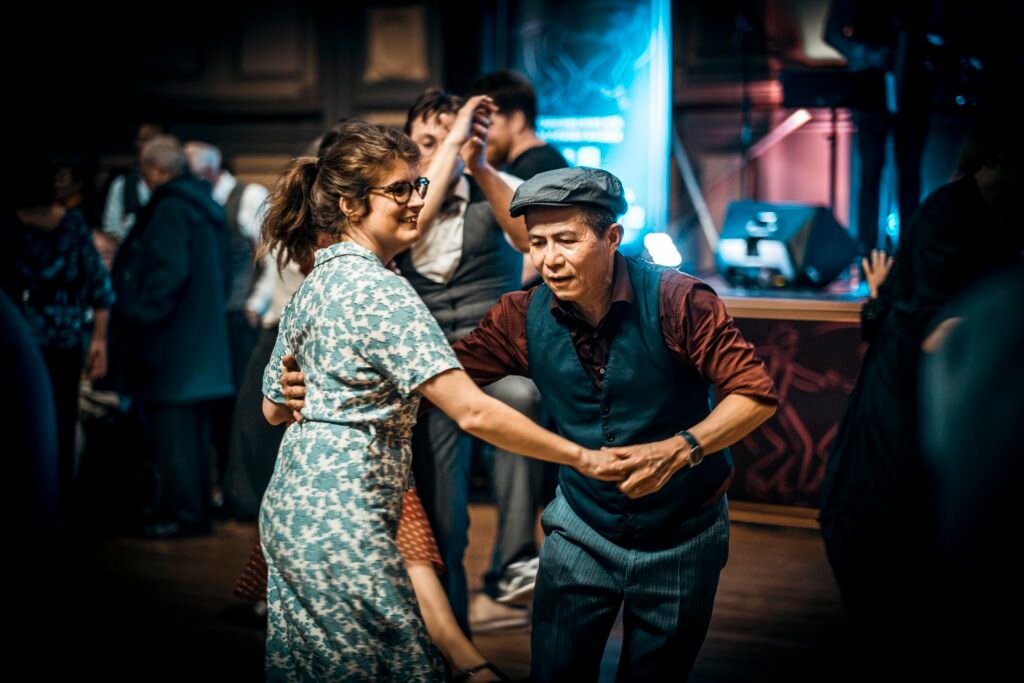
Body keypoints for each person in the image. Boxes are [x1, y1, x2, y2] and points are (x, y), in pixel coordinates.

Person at [283, 166, 779, 680]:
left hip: (684, 532)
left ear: (612, 237)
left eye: (566, 240)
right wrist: (316, 390)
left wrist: (679, 450)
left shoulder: (679, 300)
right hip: (581, 528)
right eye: (537, 243)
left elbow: (754, 395)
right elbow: (435, 381)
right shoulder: (519, 315)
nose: (549, 259)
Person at [257, 120, 620, 681]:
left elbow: (274, 410)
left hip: (290, 508)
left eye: (416, 186)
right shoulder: (381, 290)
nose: (415, 201)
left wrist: (309, 390)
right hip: (347, 515)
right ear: (352, 206)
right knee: (400, 667)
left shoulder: (314, 283)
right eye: (399, 190)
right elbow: (471, 410)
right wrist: (583, 458)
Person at [819, 110, 1023, 676]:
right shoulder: (953, 213)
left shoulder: (974, 213)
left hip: (913, 397)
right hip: (910, 401)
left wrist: (885, 296)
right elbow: (933, 328)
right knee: (898, 539)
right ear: (999, 156)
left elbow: (898, 317)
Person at [105, 135, 234, 537]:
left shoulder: (171, 209)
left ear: (157, 171)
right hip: (202, 338)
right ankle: (193, 512)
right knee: (192, 436)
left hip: (171, 344)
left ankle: (185, 517)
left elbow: (166, 275)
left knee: (174, 437)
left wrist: (136, 315)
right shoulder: (207, 206)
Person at [1, 161, 115, 534]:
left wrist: (98, 340)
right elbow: (100, 288)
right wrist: (98, 339)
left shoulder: (9, 226)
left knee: (26, 428)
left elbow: (98, 287)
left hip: (23, 344)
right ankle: (55, 509)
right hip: (63, 340)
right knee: (58, 427)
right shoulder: (71, 223)